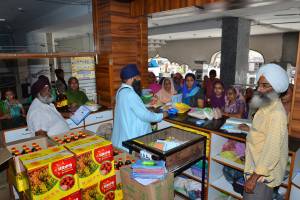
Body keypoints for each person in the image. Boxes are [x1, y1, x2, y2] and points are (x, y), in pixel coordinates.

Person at [239, 63, 289, 200]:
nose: (259, 89)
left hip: (262, 175)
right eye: (259, 85)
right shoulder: (266, 104)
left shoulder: (277, 114)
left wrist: (253, 178)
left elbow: (272, 150)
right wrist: (250, 130)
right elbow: (265, 132)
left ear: (276, 88)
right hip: (255, 166)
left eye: (265, 86)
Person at [112, 64, 165, 149]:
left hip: (123, 137)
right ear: (133, 78)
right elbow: (145, 116)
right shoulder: (130, 94)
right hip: (131, 138)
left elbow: (131, 108)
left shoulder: (121, 91)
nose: (140, 80)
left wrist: (147, 104)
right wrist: (163, 115)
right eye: (138, 77)